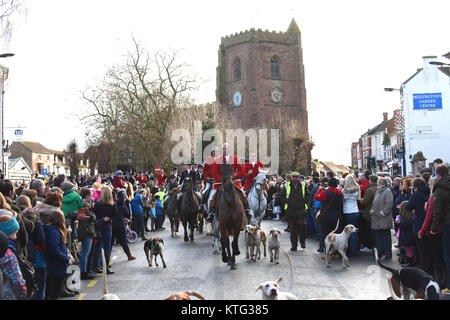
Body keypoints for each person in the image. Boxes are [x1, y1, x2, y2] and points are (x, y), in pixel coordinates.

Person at [207, 143, 248, 222]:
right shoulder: (218, 160)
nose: (224, 150)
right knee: (212, 196)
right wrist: (222, 178)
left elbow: (242, 171)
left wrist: (235, 175)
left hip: (234, 182)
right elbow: (214, 173)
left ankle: (247, 210)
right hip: (221, 183)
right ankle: (212, 213)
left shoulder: (235, 158)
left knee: (243, 193)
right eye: (223, 149)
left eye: (226, 148)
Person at [419, 177, 446, 288]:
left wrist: (421, 231)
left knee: (436, 258)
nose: (428, 185)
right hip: (442, 229)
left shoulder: (433, 198)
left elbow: (429, 217)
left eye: (430, 183)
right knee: (442, 256)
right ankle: (443, 280)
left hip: (433, 231)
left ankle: (439, 281)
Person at [43, 208, 70, 300]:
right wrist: (66, 259)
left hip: (54, 265)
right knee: (54, 292)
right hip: (56, 266)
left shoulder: (51, 230)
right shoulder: (54, 232)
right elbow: (53, 249)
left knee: (51, 290)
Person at [431, 164, 450, 294]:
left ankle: (449, 286)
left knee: (448, 256)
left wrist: (433, 228)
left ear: (438, 175)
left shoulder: (439, 189)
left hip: (447, 224)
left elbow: (437, 213)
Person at [406, 177, 430, 274]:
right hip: (428, 223)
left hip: (419, 222)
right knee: (428, 249)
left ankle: (424, 269)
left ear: (415, 187)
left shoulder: (416, 195)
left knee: (421, 249)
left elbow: (408, 206)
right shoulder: (429, 192)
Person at [280, 172, 309, 251]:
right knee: (293, 229)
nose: (295, 178)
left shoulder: (303, 185)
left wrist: (303, 201)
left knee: (303, 226)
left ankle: (302, 242)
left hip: (301, 210)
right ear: (291, 177)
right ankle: (294, 245)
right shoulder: (286, 185)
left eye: (296, 177)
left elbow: (307, 195)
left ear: (298, 178)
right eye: (293, 177)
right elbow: (281, 196)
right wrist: (287, 202)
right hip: (291, 210)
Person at [0, 216, 27, 300]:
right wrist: (23, 294)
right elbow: (17, 280)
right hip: (8, 294)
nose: (16, 237)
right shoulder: (8, 254)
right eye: (14, 233)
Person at [92, 186, 116, 275]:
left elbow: (94, 214)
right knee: (107, 248)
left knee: (97, 248)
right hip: (108, 227)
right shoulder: (113, 205)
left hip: (99, 227)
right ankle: (106, 268)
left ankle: (96, 266)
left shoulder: (98, 204)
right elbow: (114, 215)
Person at [315, 177, 343, 253]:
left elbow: (317, 197)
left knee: (324, 233)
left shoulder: (326, 192)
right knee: (335, 234)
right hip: (336, 216)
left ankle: (323, 248)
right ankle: (335, 251)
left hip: (326, 216)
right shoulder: (340, 193)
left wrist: (319, 190)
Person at [370, 177, 394, 260]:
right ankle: (380, 253)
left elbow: (389, 203)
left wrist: (384, 212)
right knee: (378, 237)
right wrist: (372, 210)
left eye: (378, 183)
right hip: (376, 218)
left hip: (384, 218)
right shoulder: (378, 191)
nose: (377, 184)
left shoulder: (387, 191)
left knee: (385, 236)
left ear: (382, 183)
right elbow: (374, 202)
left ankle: (387, 253)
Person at [77, 188, 97, 280]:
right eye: (90, 195)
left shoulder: (83, 205)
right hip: (87, 230)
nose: (92, 197)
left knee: (85, 253)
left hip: (84, 230)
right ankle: (83, 272)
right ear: (86, 196)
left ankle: (84, 270)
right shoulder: (85, 206)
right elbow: (92, 217)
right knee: (85, 253)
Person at [112, 190, 136, 261]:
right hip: (120, 225)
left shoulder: (113, 203)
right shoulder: (122, 204)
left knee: (110, 244)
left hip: (112, 224)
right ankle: (129, 256)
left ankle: (106, 262)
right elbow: (127, 213)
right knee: (123, 242)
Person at [359, 175, 378, 253]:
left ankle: (370, 247)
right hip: (376, 212)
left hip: (369, 212)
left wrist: (360, 199)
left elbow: (364, 202)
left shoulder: (370, 190)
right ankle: (375, 248)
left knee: (369, 232)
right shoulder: (378, 188)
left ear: (370, 180)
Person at [342, 175, 361, 256]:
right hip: (356, 211)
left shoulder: (345, 191)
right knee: (355, 231)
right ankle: (356, 248)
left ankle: (351, 249)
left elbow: (344, 199)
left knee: (350, 232)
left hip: (348, 211)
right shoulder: (357, 189)